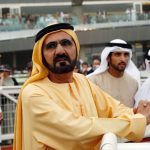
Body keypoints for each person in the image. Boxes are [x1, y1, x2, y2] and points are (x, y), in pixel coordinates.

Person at [13, 23, 150, 150]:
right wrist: (135, 122)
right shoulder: (33, 93)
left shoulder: (82, 81)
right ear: (41, 55)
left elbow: (112, 108)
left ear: (76, 48)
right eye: (51, 46)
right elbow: (76, 130)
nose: (60, 51)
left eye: (66, 43)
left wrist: (134, 113)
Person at [88, 39, 140, 107]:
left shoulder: (134, 83)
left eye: (126, 55)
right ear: (108, 58)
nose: (123, 59)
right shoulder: (93, 81)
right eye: (118, 54)